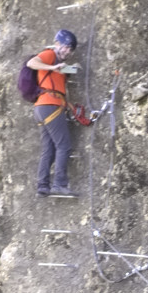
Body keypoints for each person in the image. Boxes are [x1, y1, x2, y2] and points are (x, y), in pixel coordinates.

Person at [28, 29, 93, 198]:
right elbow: (32, 63)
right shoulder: (49, 54)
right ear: (57, 44)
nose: (68, 51)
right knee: (63, 146)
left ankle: (43, 186)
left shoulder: (60, 66)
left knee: (48, 148)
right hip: (50, 106)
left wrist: (65, 71)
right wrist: (53, 66)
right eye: (65, 47)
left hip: (43, 107)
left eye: (70, 49)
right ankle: (59, 184)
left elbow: (58, 88)